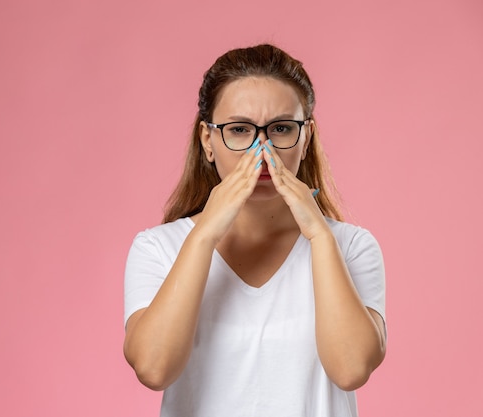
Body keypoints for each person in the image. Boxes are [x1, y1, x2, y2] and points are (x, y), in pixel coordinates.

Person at [123, 44, 386, 417]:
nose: (262, 150)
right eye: (240, 130)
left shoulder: (352, 246)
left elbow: (350, 369)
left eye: (280, 129)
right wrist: (205, 235)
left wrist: (320, 237)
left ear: (306, 137)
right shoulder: (158, 248)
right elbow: (153, 368)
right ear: (208, 141)